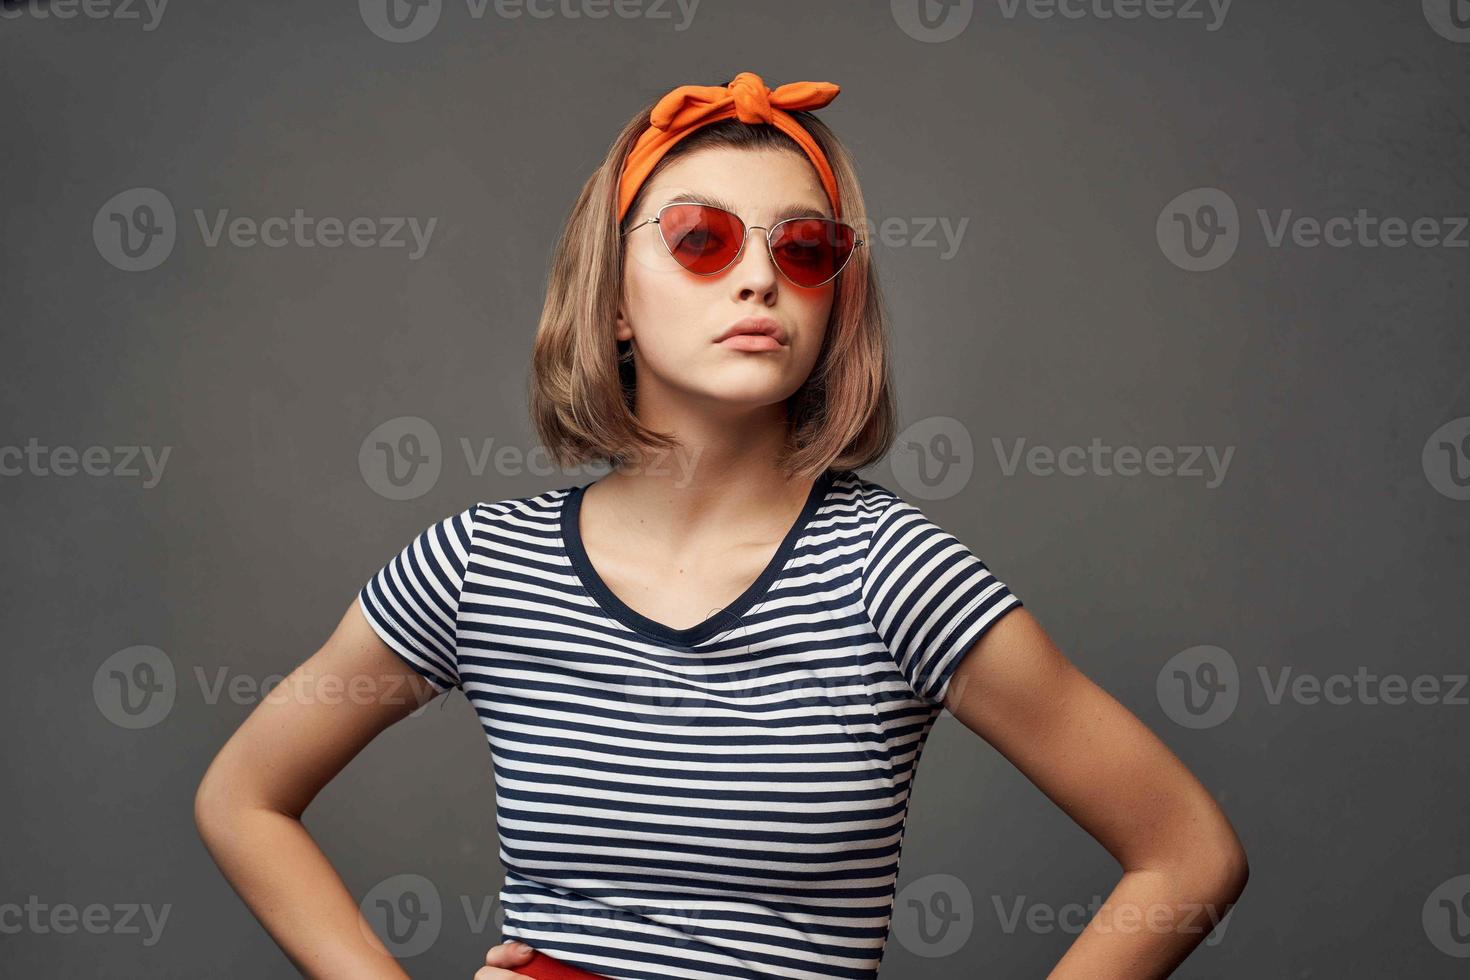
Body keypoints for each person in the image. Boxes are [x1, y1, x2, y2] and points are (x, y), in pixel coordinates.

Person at [194, 71, 1248, 980]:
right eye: (700, 238)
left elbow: (1187, 851)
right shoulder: (481, 567)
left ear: (839, 298)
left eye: (804, 247)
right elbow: (244, 795)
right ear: (612, 297)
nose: (757, 276)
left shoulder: (896, 574)